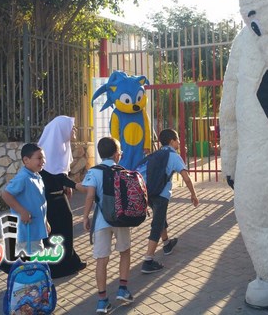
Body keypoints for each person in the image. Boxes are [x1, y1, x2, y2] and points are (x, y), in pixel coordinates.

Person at [82, 137, 134, 313]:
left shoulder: (93, 172)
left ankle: (103, 300)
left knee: (101, 260)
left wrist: (85, 217)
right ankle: (123, 289)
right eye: (119, 151)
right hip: (121, 219)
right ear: (116, 154)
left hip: (101, 221)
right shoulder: (123, 170)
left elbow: (90, 196)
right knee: (125, 252)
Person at [136, 129, 199, 274]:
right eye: (177, 140)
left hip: (148, 193)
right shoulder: (173, 156)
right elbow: (186, 177)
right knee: (157, 224)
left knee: (160, 217)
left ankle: (167, 244)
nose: (179, 142)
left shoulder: (156, 154)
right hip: (161, 195)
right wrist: (194, 195)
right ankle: (148, 261)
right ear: (172, 141)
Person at [38, 115, 87, 278]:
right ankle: (58, 268)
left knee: (65, 228)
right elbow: (55, 174)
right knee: (55, 233)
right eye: (72, 127)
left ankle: (70, 261)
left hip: (59, 196)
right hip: (49, 201)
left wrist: (66, 185)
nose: (74, 130)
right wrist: (75, 185)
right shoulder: (48, 150)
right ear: (61, 129)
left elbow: (60, 172)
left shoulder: (61, 146)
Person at [1, 143, 50, 254]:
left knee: (34, 265)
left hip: (35, 232)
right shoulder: (23, 177)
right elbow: (6, 194)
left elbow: (40, 203)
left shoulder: (36, 176)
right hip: (26, 233)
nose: (43, 161)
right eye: (39, 158)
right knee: (32, 266)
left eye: (43, 158)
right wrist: (22, 211)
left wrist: (45, 222)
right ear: (26, 160)